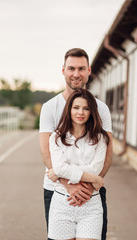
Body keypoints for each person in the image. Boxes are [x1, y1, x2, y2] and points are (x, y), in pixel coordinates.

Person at [39, 48, 113, 240]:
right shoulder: (49, 107)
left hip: (91, 193)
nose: (76, 74)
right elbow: (47, 152)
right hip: (57, 190)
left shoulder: (101, 108)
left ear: (89, 70)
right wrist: (68, 185)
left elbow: (106, 155)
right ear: (63, 70)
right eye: (71, 68)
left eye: (81, 69)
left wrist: (89, 186)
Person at [47, 88, 110, 240]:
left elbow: (96, 168)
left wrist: (59, 172)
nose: (80, 112)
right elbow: (62, 168)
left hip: (90, 204)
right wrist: (93, 179)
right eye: (76, 107)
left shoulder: (100, 138)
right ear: (69, 110)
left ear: (91, 112)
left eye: (86, 108)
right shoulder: (56, 137)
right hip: (62, 203)